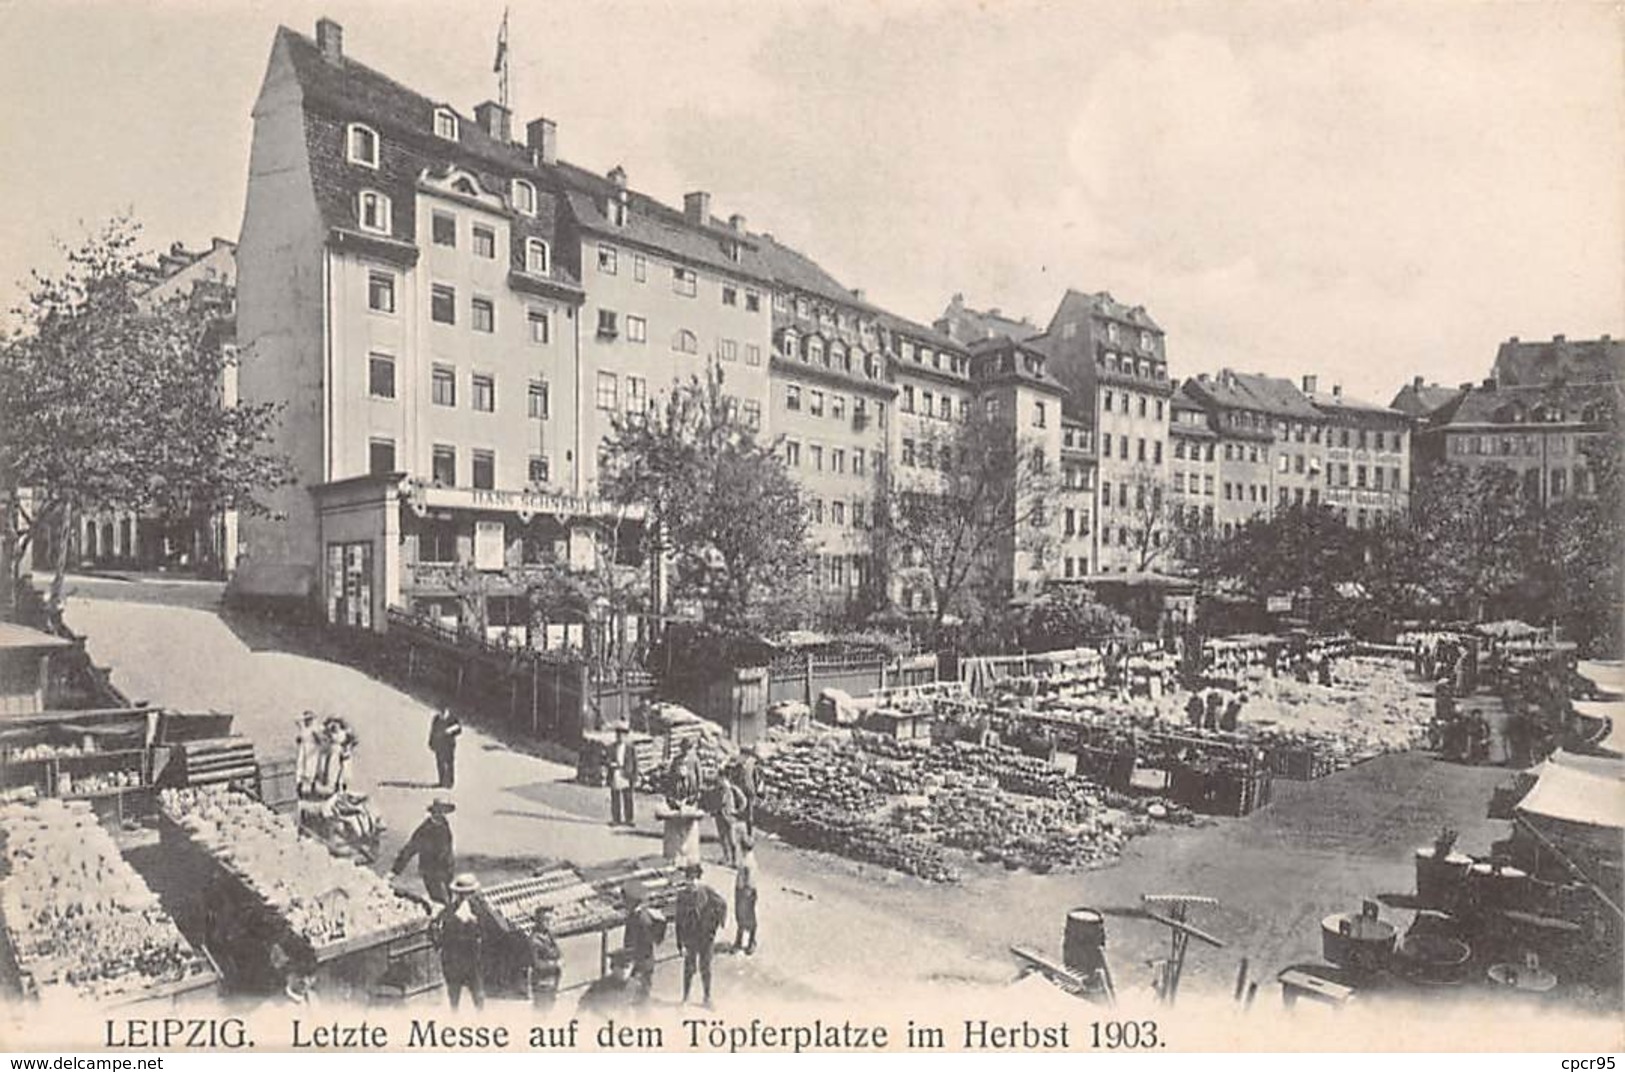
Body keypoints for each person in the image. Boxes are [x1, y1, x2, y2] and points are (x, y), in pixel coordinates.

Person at [674, 863, 728, 1007]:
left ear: (699, 879)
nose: (692, 882)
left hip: (706, 937)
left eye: (695, 879)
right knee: (689, 968)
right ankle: (685, 998)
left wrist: (718, 924)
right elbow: (678, 921)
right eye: (689, 879)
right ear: (685, 880)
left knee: (706, 968)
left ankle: (707, 998)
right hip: (690, 937)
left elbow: (722, 904)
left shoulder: (707, 891)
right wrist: (679, 943)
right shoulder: (682, 896)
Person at [434, 873, 485, 1010]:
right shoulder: (449, 911)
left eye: (468, 894)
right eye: (462, 894)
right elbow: (439, 932)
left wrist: (475, 924)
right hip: (454, 959)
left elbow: (486, 931)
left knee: (478, 995)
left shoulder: (480, 910)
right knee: (454, 996)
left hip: (472, 959)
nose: (465, 897)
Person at [393, 796, 456, 904]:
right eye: (439, 811)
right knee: (439, 901)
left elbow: (447, 849)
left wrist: (450, 867)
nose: (442, 814)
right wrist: (395, 870)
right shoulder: (425, 829)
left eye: (444, 811)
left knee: (450, 901)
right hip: (431, 873)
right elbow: (410, 848)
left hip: (446, 871)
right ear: (433, 812)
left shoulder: (445, 825)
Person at [621, 884, 666, 1003]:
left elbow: (637, 942)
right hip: (644, 961)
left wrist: (630, 961)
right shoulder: (643, 915)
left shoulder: (638, 919)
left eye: (625, 901)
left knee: (639, 998)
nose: (624, 904)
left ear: (631, 902)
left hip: (641, 962)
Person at [577, 949, 638, 1017]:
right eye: (620, 967)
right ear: (612, 967)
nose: (624, 971)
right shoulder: (600, 986)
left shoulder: (637, 987)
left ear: (632, 968)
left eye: (627, 967)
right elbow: (583, 1006)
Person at [528, 906, 563, 1011]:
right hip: (541, 982)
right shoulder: (534, 940)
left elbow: (558, 952)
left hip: (552, 980)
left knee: (550, 1009)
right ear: (538, 921)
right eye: (545, 920)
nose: (549, 923)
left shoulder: (549, 936)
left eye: (550, 920)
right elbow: (536, 964)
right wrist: (555, 964)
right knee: (542, 1012)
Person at [605, 724, 638, 827]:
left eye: (622, 735)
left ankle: (629, 819)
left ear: (626, 736)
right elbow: (607, 759)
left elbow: (635, 762)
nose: (620, 737)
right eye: (618, 735)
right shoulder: (611, 747)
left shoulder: (630, 748)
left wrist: (635, 776)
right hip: (615, 773)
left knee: (628, 797)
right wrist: (611, 764)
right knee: (615, 797)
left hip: (626, 774)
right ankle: (616, 819)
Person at [712, 775, 748, 867]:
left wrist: (738, 810)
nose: (721, 783)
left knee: (732, 840)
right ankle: (726, 857)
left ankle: (734, 860)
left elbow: (744, 800)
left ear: (727, 780)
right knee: (722, 838)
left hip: (730, 817)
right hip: (719, 816)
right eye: (719, 781)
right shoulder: (718, 790)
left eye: (723, 780)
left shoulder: (733, 790)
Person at [733, 836, 760, 955]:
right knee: (740, 915)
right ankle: (739, 940)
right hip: (742, 889)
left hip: (746, 891)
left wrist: (746, 891)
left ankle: (751, 941)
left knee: (747, 916)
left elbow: (749, 879)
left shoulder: (748, 861)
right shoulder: (746, 858)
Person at [429, 707, 462, 790]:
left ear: (447, 711)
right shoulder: (436, 719)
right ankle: (441, 781)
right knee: (440, 763)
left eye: (443, 712)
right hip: (439, 744)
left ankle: (450, 782)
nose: (442, 714)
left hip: (449, 745)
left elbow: (459, 730)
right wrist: (431, 742)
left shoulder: (453, 718)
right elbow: (432, 731)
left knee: (449, 763)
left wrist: (450, 731)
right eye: (441, 712)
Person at [733, 747, 761, 838]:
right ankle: (749, 832)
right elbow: (756, 777)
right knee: (749, 811)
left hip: (742, 789)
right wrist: (756, 789)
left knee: (738, 810)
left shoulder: (739, 761)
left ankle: (738, 832)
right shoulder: (752, 762)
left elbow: (735, 776)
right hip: (750, 788)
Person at [294, 711, 320, 798]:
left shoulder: (314, 729)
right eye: (306, 720)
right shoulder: (303, 730)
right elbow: (299, 739)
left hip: (311, 751)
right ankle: (301, 789)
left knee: (311, 769)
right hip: (303, 750)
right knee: (301, 769)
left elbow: (320, 741)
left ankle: (311, 790)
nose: (307, 721)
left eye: (309, 720)